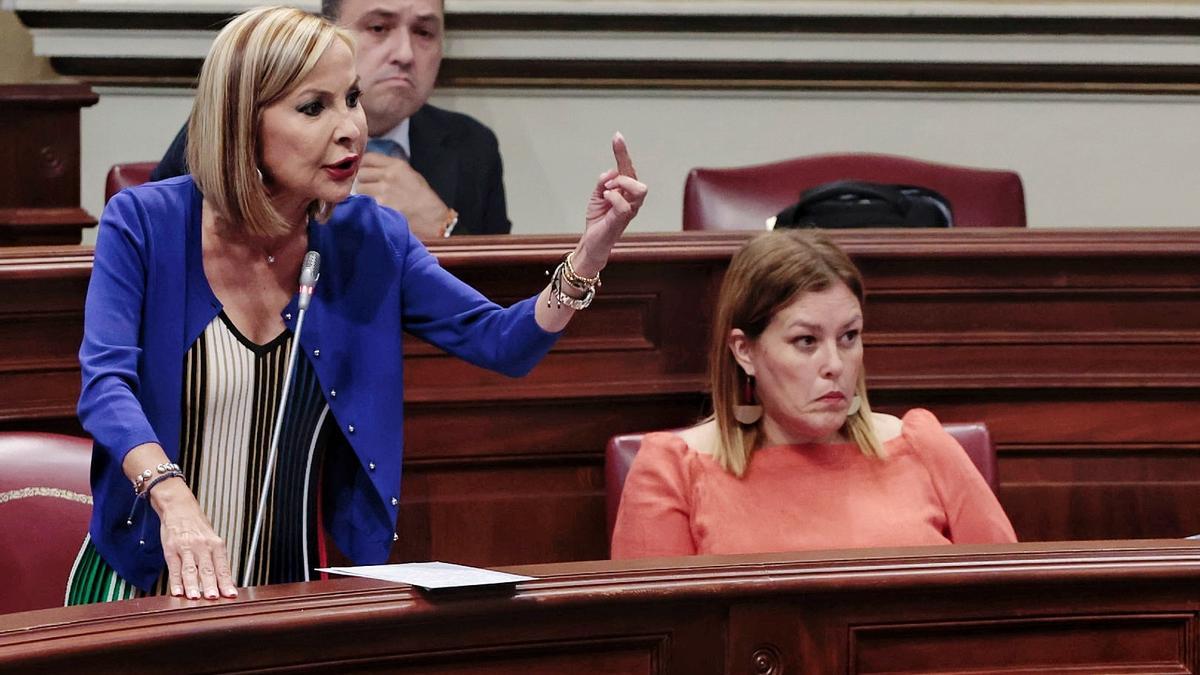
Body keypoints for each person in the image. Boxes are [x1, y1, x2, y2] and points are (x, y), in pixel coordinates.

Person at [71, 5, 646, 604]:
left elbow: (503, 341)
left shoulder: (371, 237)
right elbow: (106, 384)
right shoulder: (146, 223)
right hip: (143, 576)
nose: (351, 127)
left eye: (351, 98)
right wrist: (174, 501)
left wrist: (591, 252)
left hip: (286, 592)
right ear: (241, 122)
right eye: (314, 107)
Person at [610, 230, 1014, 559]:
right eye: (806, 341)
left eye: (849, 337)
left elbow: (1015, 602)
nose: (835, 364)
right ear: (744, 351)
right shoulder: (673, 470)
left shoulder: (921, 444)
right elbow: (650, 644)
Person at [150, 0, 508, 239]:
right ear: (330, 32)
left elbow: (501, 296)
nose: (405, 54)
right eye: (379, 28)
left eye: (424, 33)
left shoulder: (473, 146)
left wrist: (444, 228)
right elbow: (155, 255)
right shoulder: (236, 129)